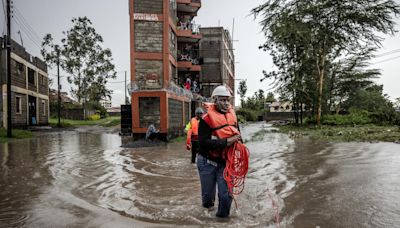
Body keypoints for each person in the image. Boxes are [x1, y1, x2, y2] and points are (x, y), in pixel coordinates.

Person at [197, 85, 241, 218]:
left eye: (228, 100)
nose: (226, 103)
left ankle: (222, 222)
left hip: (225, 163)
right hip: (207, 162)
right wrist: (227, 142)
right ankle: (208, 217)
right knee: (207, 200)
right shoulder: (205, 120)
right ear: (214, 100)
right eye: (222, 100)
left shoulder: (232, 117)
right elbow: (203, 143)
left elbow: (238, 137)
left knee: (226, 195)